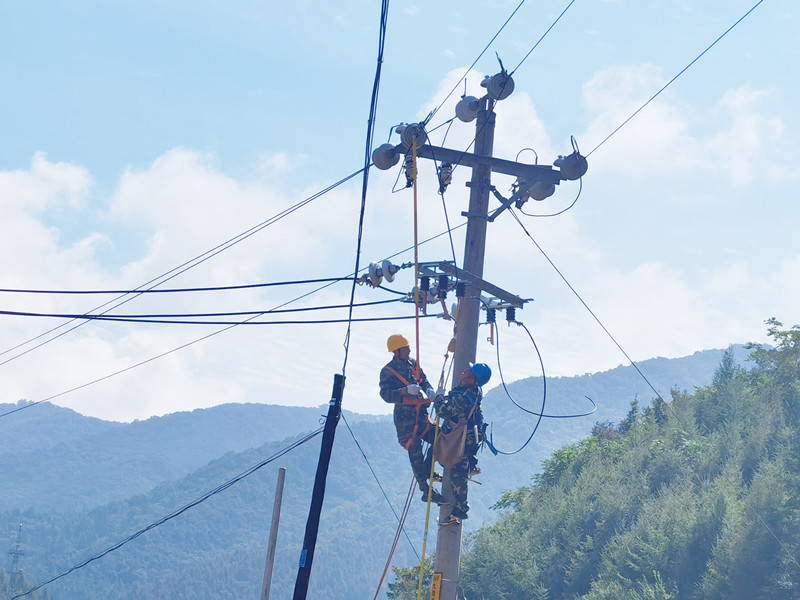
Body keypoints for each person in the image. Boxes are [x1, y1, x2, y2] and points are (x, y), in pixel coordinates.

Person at [379, 334, 445, 505]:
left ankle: (429, 470)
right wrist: (404, 391)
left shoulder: (413, 364)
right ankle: (426, 490)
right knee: (415, 451)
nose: (409, 350)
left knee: (439, 438)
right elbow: (385, 395)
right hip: (404, 419)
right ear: (397, 351)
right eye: (406, 348)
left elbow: (424, 380)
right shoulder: (387, 372)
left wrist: (429, 390)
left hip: (420, 414)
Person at [434, 362, 492, 524]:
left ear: (472, 379)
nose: (464, 371)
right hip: (473, 436)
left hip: (463, 438)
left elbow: (443, 411)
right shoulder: (476, 391)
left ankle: (460, 510)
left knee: (457, 474)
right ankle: (471, 466)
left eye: (468, 371)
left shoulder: (461, 398)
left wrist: (438, 399)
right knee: (463, 463)